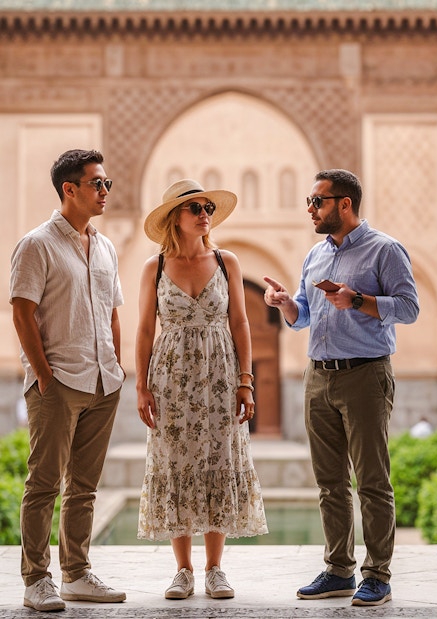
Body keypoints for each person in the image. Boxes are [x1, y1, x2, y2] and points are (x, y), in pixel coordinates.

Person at [264, 169, 419, 607]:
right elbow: (306, 316)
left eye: (317, 201)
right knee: (329, 481)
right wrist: (285, 306)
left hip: (365, 375)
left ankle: (378, 576)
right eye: (310, 202)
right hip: (319, 376)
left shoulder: (384, 250)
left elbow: (409, 308)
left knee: (372, 480)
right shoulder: (315, 255)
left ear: (344, 204)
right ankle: (338, 570)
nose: (310, 209)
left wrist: (357, 300)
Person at [136, 178, 268, 600]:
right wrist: (140, 385)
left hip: (220, 375)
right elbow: (143, 329)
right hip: (171, 379)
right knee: (175, 463)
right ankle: (182, 570)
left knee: (218, 459)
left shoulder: (227, 261)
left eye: (207, 207)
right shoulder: (153, 267)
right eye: (194, 207)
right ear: (175, 217)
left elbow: (242, 323)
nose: (203, 213)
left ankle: (214, 569)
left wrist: (246, 382)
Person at [10, 149, 127, 612]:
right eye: (97, 183)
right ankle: (36, 580)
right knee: (43, 485)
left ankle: (76, 574)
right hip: (58, 383)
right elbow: (22, 311)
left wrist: (116, 367)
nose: (104, 191)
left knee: (85, 486)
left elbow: (113, 311)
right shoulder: (36, 244)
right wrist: (43, 375)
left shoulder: (105, 246)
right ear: (69, 189)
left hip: (103, 383)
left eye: (107, 184)